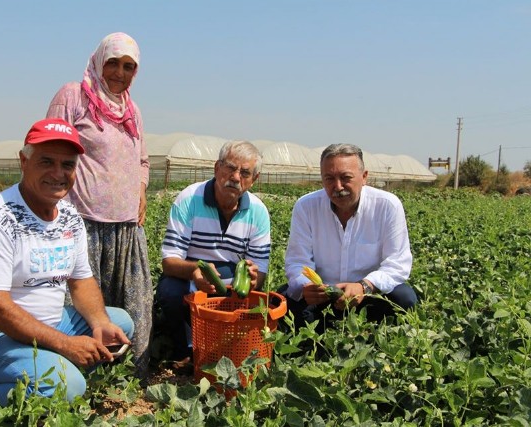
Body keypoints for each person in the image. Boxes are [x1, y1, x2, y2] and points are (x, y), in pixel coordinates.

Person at [0, 118, 134, 409]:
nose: (58, 173)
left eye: (68, 165)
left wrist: (98, 322)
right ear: (24, 161)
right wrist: (64, 344)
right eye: (46, 162)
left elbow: (81, 280)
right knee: (68, 386)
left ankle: (44, 369)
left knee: (118, 322)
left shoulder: (70, 217)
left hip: (46, 325)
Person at [45, 32, 152, 377]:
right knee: (83, 309)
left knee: (134, 305)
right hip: (83, 224)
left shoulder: (131, 110)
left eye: (128, 66)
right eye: (114, 63)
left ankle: (128, 378)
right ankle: (77, 376)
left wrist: (141, 190)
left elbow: (143, 161)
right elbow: (52, 147)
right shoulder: (73, 96)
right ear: (98, 61)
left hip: (126, 229)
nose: (120, 72)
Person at [157, 140, 271, 365]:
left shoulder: (258, 212)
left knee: (257, 303)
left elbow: (261, 274)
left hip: (232, 286)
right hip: (190, 277)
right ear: (217, 168)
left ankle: (228, 350)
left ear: (254, 180)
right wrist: (196, 271)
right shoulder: (189, 199)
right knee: (170, 292)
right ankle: (184, 350)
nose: (236, 177)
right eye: (230, 167)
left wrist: (254, 278)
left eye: (245, 172)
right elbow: (169, 262)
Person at [282, 143, 418, 332]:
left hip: (369, 294)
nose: (337, 187)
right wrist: (307, 286)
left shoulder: (387, 206)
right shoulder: (306, 207)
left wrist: (365, 286)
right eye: (329, 178)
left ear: (364, 177)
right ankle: (307, 343)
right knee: (281, 300)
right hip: (323, 295)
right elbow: (297, 261)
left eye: (346, 178)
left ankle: (381, 338)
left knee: (404, 299)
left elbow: (397, 264)